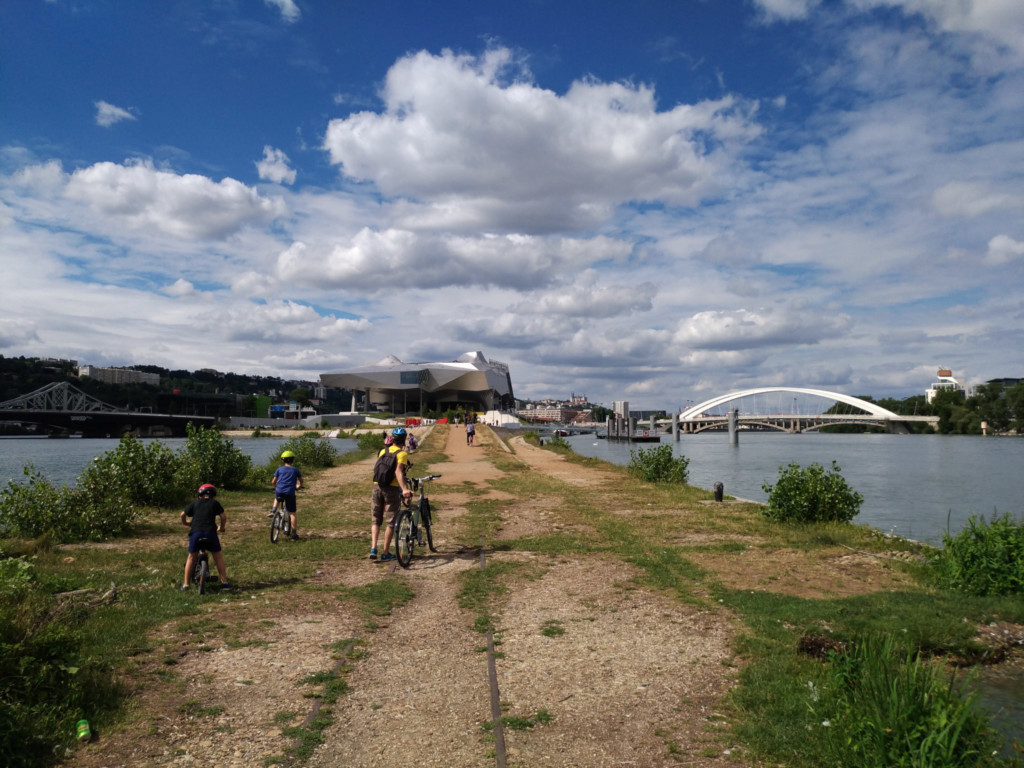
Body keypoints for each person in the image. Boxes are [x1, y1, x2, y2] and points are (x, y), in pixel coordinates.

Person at [369, 427, 413, 562]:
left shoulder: (383, 450)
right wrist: (405, 489)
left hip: (377, 486)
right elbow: (398, 472)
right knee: (390, 522)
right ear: (404, 439)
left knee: (376, 519)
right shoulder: (402, 454)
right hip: (391, 489)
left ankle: (373, 548)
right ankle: (386, 552)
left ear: (392, 438)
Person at [180, 483, 230, 590]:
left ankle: (186, 584)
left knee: (191, 557)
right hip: (210, 532)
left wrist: (186, 523)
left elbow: (182, 514)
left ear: (199, 495)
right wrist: (221, 528)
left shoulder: (195, 503)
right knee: (217, 556)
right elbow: (223, 517)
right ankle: (224, 583)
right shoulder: (215, 503)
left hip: (196, 532)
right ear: (214, 495)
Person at [272, 450, 304, 541]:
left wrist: (275, 487)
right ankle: (294, 534)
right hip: (290, 492)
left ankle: (273, 510)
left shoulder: (279, 469)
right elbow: (301, 480)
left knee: (277, 496)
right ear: (292, 460)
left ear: (283, 460)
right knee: (292, 513)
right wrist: (299, 486)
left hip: (279, 491)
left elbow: (273, 481)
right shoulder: (295, 469)